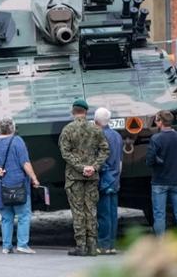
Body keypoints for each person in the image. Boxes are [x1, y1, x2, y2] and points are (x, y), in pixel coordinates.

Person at [0, 117, 40, 255]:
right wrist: (34, 178)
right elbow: (25, 163)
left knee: (6, 217)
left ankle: (6, 246)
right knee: (23, 215)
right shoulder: (17, 141)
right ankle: (22, 244)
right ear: (12, 128)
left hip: (0, 185)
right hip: (18, 183)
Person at [58, 99, 109, 256]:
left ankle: (81, 246)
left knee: (78, 211)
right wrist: (93, 167)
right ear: (86, 112)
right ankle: (93, 246)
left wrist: (81, 167)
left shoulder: (67, 130)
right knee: (91, 210)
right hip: (92, 177)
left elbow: (65, 152)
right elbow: (105, 150)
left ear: (73, 111)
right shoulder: (96, 129)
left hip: (74, 178)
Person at [146, 110, 177, 236]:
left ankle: (161, 243)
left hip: (160, 181)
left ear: (160, 122)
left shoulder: (156, 138)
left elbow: (149, 161)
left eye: (156, 120)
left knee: (159, 214)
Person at [94, 107, 122, 255]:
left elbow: (99, 160)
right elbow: (120, 161)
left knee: (103, 214)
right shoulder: (117, 136)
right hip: (115, 179)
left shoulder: (98, 136)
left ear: (96, 121)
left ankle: (103, 245)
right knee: (112, 214)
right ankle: (111, 245)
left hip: (104, 179)